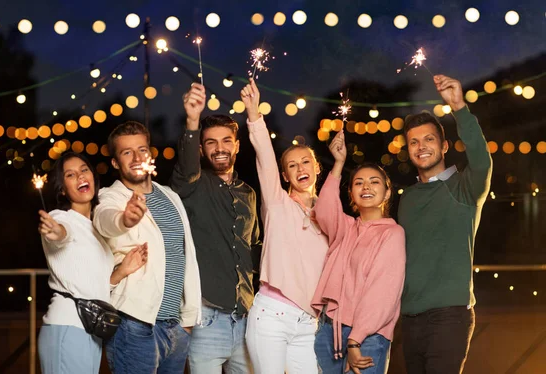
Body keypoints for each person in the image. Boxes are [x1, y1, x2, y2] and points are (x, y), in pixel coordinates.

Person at [398, 75, 492, 374]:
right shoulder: (407, 198)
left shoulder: (464, 187)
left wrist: (459, 107)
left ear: (444, 145)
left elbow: (481, 160)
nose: (421, 147)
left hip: (450, 314)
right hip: (410, 317)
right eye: (413, 142)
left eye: (428, 139)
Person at [92, 121, 201, 374]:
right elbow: (105, 220)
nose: (136, 157)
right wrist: (125, 219)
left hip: (175, 327)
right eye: (126, 152)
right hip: (134, 324)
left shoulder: (170, 196)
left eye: (141, 149)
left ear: (150, 154)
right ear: (116, 163)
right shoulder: (111, 198)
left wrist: (187, 322)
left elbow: (186, 256)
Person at [239, 79, 329, 373]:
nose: (300, 168)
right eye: (292, 165)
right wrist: (254, 114)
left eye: (306, 162)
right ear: (284, 174)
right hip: (271, 316)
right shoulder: (277, 204)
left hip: (308, 323)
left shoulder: (331, 216)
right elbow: (264, 156)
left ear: (317, 168)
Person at [171, 83, 261, 373]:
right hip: (206, 319)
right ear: (201, 148)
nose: (220, 148)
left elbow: (255, 250)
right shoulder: (193, 184)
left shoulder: (249, 193)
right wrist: (192, 120)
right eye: (211, 142)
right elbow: (186, 167)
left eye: (226, 141)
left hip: (247, 319)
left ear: (237, 145)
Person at [38, 151, 147, 374]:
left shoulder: (96, 228)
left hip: (92, 328)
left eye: (84, 170)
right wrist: (56, 232)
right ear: (62, 189)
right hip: (67, 326)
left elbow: (93, 284)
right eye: (70, 174)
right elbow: (62, 235)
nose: (80, 177)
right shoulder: (61, 218)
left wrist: (122, 271)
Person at [312, 132, 406, 374]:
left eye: (375, 182)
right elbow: (322, 211)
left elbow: (382, 293)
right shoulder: (345, 227)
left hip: (368, 337)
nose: (366, 186)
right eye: (358, 182)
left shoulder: (392, 234)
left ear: (387, 193)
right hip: (329, 331)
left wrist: (356, 339)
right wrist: (339, 164)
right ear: (352, 194)